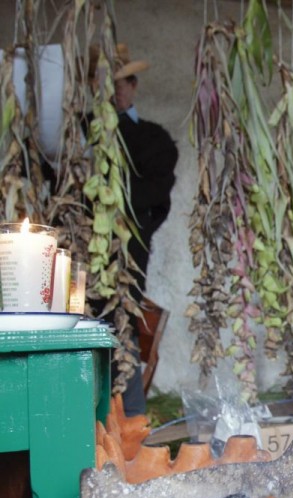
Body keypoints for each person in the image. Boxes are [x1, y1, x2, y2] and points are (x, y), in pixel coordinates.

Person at [89, 44, 178, 416]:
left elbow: (158, 195)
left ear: (134, 86)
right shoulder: (84, 132)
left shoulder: (154, 139)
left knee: (122, 320)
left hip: (130, 252)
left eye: (124, 82)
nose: (117, 89)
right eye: (109, 82)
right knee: (89, 323)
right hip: (87, 251)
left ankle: (130, 421)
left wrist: (124, 219)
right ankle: (94, 415)